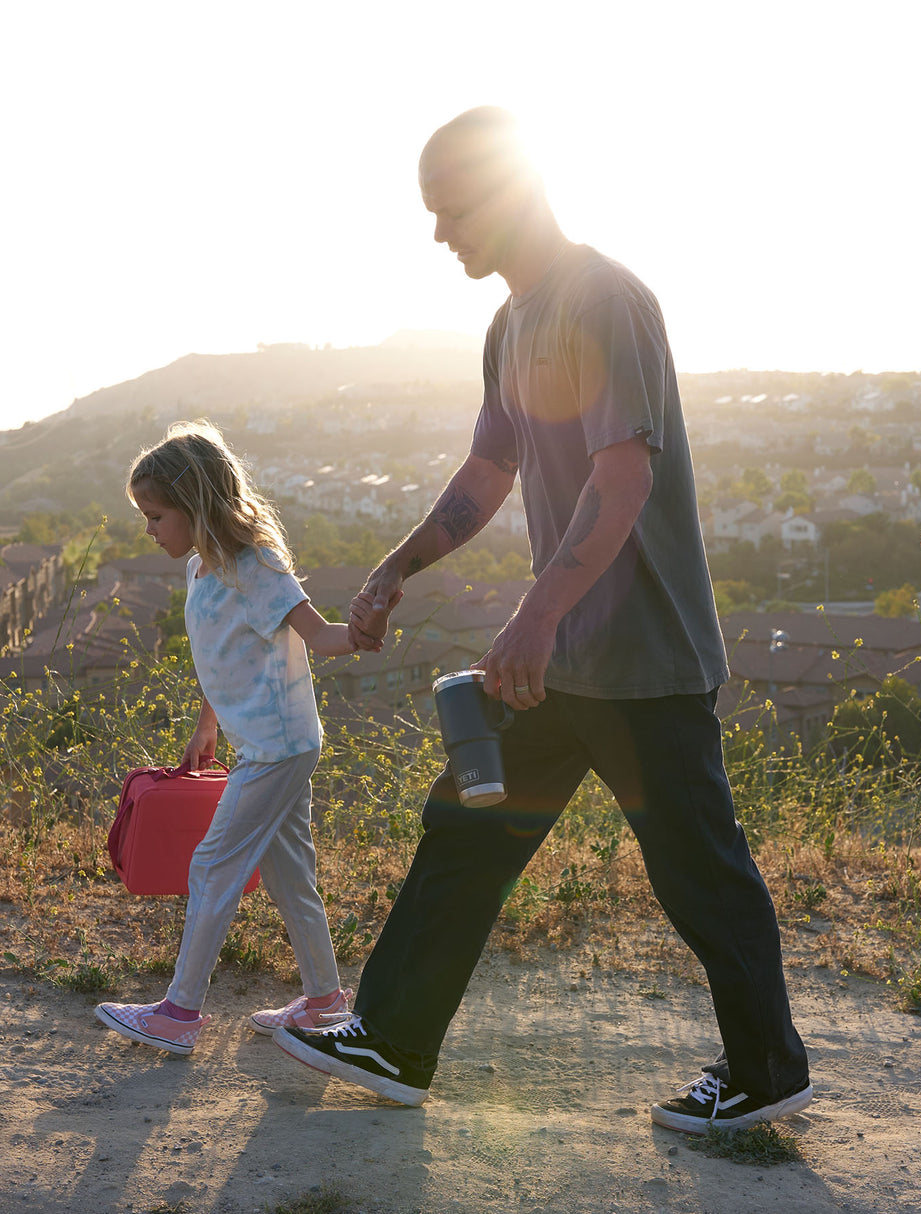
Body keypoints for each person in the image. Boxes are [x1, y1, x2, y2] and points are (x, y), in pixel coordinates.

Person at [273, 107, 812, 1132]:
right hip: (559, 660)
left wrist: (529, 614)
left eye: (450, 211)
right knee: (464, 827)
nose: (440, 236)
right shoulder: (511, 323)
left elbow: (620, 479)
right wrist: (397, 565)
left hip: (643, 657)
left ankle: (767, 1066)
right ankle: (393, 1034)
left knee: (698, 874)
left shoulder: (603, 300)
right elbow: (488, 468)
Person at [95, 420, 365, 1054]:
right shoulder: (201, 567)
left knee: (213, 865)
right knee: (289, 874)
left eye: (156, 515)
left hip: (277, 747)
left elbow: (320, 635)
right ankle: (325, 1001)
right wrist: (206, 722)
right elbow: (222, 656)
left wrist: (363, 629)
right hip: (269, 744)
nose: (150, 527)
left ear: (195, 508)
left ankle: (178, 1014)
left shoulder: (257, 565)